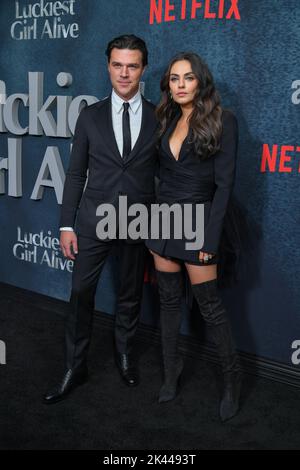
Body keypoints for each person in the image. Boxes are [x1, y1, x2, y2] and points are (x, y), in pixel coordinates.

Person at [43, 35, 158, 404]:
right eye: (117, 65)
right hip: (93, 221)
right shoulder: (89, 115)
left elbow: (170, 174)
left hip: (138, 220)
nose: (124, 73)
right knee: (79, 294)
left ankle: (124, 355)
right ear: (108, 66)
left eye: (132, 65)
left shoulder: (161, 116)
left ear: (143, 68)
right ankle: (75, 366)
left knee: (129, 294)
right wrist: (65, 224)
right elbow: (76, 174)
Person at [146, 52, 241, 422]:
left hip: (200, 224)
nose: (181, 85)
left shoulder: (223, 121)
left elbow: (225, 186)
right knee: (168, 303)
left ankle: (232, 382)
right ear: (168, 84)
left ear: (200, 81)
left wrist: (210, 242)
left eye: (188, 77)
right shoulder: (166, 118)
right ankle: (171, 375)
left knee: (211, 308)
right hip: (164, 223)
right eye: (174, 78)